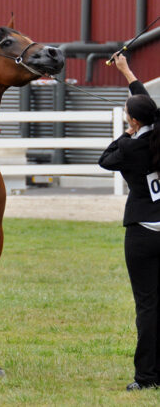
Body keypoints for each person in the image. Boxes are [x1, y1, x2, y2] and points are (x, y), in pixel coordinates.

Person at [99, 53, 160, 391]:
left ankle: (146, 377)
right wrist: (127, 71)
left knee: (147, 306)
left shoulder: (130, 149)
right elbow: (149, 106)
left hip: (142, 232)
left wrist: (125, 135)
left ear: (134, 121)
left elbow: (104, 160)